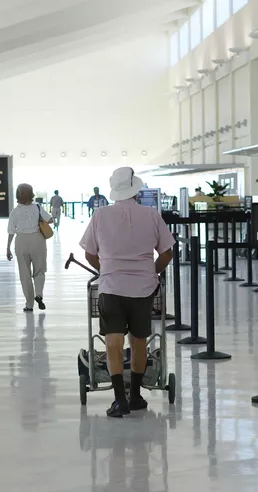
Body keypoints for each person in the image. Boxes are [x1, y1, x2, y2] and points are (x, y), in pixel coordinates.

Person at [80, 167, 175, 418]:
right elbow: (167, 252)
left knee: (113, 341)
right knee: (139, 340)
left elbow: (89, 253)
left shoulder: (100, 215)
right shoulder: (152, 215)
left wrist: (107, 269)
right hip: (143, 290)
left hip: (111, 288)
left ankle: (119, 401)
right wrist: (151, 272)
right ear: (136, 189)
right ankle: (135, 397)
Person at [6, 183, 54, 312]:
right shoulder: (37, 207)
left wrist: (8, 248)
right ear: (31, 194)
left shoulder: (15, 211)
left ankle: (29, 304)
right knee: (39, 270)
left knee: (24, 274)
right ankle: (39, 294)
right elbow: (50, 220)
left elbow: (11, 231)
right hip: (37, 239)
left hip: (21, 241)